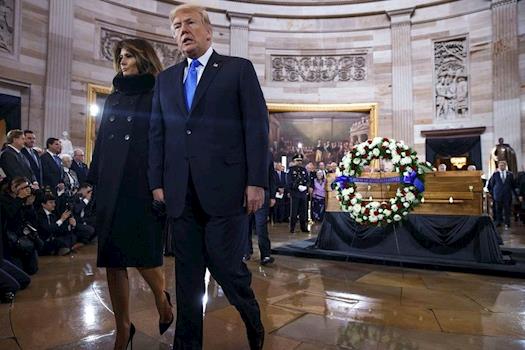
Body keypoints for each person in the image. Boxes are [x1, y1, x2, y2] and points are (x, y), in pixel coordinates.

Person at [148, 5, 268, 349]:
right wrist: (156, 181)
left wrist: (256, 181)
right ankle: (186, 345)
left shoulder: (237, 70)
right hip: (178, 191)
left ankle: (250, 315)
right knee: (186, 275)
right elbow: (158, 134)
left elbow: (256, 128)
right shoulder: (166, 79)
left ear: (208, 30)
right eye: (175, 26)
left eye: (189, 23)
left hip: (226, 189)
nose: (182, 30)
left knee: (226, 267)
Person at [87, 38, 172, 350]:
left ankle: (162, 300)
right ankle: (123, 328)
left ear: (143, 59)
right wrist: (92, 181)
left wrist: (161, 185)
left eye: (128, 56)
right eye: (120, 56)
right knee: (112, 259)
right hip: (110, 184)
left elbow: (164, 145)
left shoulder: (157, 95)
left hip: (140, 185)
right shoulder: (113, 96)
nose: (122, 61)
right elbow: (102, 142)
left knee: (144, 256)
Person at [244, 151, 276, 265]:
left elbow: (272, 176)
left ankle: (265, 255)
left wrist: (272, 196)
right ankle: (246, 251)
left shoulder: (268, 154)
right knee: (245, 225)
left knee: (261, 226)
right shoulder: (242, 150)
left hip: (264, 194)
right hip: (245, 195)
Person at [487, 160, 522, 229]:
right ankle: (498, 222)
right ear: (498, 166)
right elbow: (491, 185)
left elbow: (513, 185)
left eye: (503, 165)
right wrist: (493, 194)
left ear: (505, 166)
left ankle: (507, 223)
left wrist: (517, 195)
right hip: (498, 195)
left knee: (507, 210)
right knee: (498, 210)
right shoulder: (495, 174)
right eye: (500, 165)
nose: (501, 166)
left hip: (507, 195)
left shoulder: (510, 174)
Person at [288, 154, 310, 233]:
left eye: (300, 160)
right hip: (295, 193)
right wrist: (297, 187)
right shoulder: (291, 170)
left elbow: (308, 180)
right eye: (297, 160)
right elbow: (289, 181)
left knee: (303, 212)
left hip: (303, 193)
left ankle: (303, 227)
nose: (299, 162)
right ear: (294, 161)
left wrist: (306, 187)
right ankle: (292, 228)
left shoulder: (304, 170)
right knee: (294, 212)